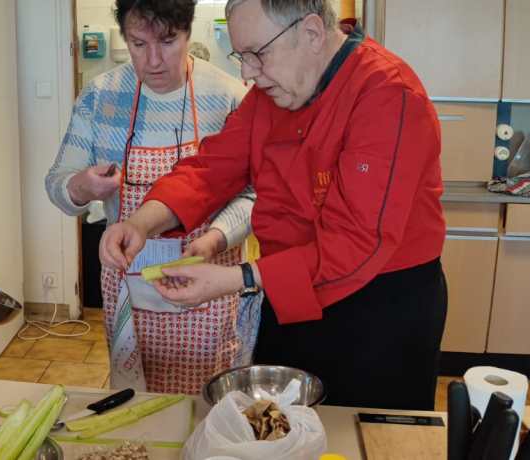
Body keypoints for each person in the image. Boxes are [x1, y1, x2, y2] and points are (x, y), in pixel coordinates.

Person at [100, 0, 447, 410]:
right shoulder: (275, 90)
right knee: (280, 423)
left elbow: (356, 242)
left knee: (364, 434)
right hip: (289, 291)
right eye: (241, 56)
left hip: (379, 309)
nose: (247, 73)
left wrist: (237, 278)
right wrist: (140, 223)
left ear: (312, 33)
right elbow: (211, 168)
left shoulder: (387, 94)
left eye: (257, 54)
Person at [46, 0, 254, 395]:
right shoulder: (100, 98)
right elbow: (57, 183)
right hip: (130, 289)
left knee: (208, 408)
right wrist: (82, 187)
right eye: (139, 44)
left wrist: (216, 238)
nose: (153, 60)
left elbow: (254, 194)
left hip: (209, 284)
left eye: (168, 41)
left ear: (188, 32)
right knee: (135, 406)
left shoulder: (229, 96)